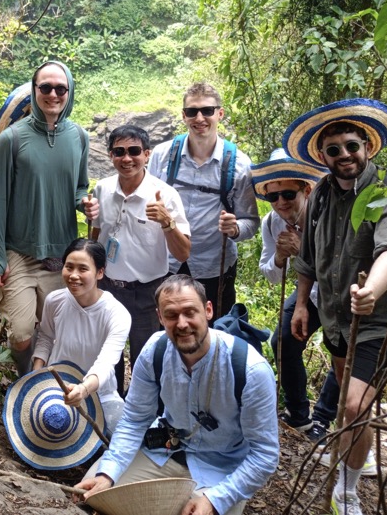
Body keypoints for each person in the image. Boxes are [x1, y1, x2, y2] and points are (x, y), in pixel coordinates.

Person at [285, 99, 387, 515]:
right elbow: (309, 257)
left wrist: (372, 290)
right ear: (323, 156)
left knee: (355, 405)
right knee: (350, 397)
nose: (344, 155)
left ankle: (345, 491)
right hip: (335, 318)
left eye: (351, 146)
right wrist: (302, 305)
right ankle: (355, 449)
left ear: (367, 147)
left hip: (379, 319)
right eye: (334, 149)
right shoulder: (322, 195)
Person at [76, 275, 279, 515]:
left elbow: (264, 454)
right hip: (166, 451)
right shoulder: (156, 351)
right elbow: (135, 419)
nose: (182, 324)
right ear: (160, 317)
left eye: (190, 312)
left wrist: (216, 500)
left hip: (221, 467)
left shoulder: (250, 370)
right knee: (95, 491)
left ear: (208, 310)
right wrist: (108, 473)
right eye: (171, 315)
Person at [0, 60, 95, 376]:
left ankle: (48, 385)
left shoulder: (79, 137)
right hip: (19, 252)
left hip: (61, 257)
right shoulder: (11, 139)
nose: (53, 94)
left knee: (57, 332)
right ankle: (27, 379)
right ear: (34, 91)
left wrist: (84, 204)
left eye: (61, 88)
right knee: (21, 334)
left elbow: (79, 187)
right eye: (45, 87)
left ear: (69, 92)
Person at [91, 125, 191, 397]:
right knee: (107, 359)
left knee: (144, 362)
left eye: (134, 151)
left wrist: (167, 222)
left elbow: (183, 253)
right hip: (108, 289)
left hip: (146, 292)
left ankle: (142, 414)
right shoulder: (102, 189)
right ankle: (110, 409)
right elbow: (96, 236)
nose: (127, 158)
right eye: (119, 152)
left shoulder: (165, 195)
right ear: (111, 155)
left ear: (147, 154)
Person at [148, 83, 260, 319]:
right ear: (184, 116)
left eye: (207, 110)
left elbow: (250, 221)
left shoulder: (240, 164)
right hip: (166, 262)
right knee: (168, 325)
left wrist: (235, 228)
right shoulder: (162, 155)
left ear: (220, 113)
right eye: (192, 111)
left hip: (214, 266)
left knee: (215, 329)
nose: (199, 118)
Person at [252, 149, 341, 437]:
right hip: (311, 292)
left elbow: (340, 267)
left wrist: (303, 249)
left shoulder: (330, 214)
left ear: (306, 189)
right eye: (272, 196)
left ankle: (324, 418)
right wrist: (280, 256)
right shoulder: (272, 222)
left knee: (341, 352)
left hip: (341, 293)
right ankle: (298, 414)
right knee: (284, 341)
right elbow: (270, 274)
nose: (280, 202)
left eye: (288, 194)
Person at [32, 238, 131, 432]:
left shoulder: (117, 314)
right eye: (69, 267)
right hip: (56, 390)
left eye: (83, 269)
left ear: (100, 272)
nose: (74, 275)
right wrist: (36, 377)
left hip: (101, 394)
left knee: (121, 436)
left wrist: (83, 389)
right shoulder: (55, 300)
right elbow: (45, 338)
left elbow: (106, 363)